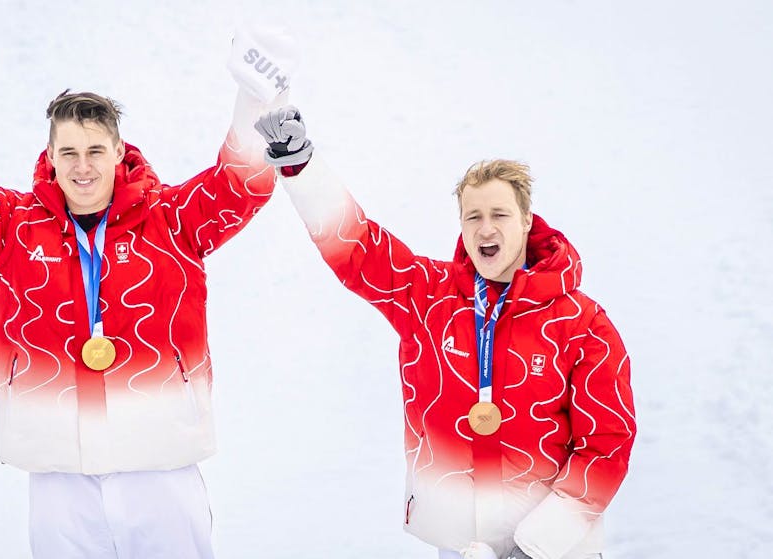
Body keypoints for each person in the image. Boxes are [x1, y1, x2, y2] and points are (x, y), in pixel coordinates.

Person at [0, 24, 293, 559]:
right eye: (69, 153)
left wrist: (260, 93)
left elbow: (239, 185)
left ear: (118, 152)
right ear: (51, 155)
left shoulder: (174, 221)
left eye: (94, 151)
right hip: (58, 475)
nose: (82, 167)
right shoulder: (10, 228)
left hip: (159, 469)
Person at [254, 109, 636, 559]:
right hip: (462, 546)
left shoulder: (582, 322)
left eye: (499, 214)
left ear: (528, 220)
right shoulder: (429, 299)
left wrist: (539, 544)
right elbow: (358, 247)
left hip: (554, 549)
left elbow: (607, 442)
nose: (486, 228)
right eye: (473, 216)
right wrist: (301, 167)